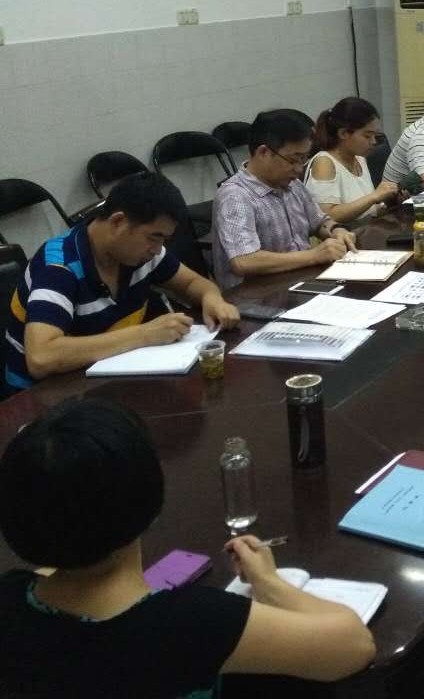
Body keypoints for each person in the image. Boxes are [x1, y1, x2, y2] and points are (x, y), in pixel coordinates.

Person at [0, 398, 375, 696]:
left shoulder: (11, 598)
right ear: (149, 502)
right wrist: (268, 582)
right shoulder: (191, 624)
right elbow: (355, 645)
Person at [3, 173, 239, 396]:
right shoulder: (59, 267)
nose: (158, 249)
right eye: (154, 237)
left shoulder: (141, 254)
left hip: (104, 377)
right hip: (42, 398)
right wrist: (144, 334)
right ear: (118, 222)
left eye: (164, 240)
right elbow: (42, 358)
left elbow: (191, 283)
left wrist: (212, 299)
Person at [212, 109, 358, 290]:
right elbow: (244, 261)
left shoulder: (292, 184)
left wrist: (337, 230)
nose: (299, 169)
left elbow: (319, 222)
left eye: (303, 159)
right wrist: (314, 255)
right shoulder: (236, 196)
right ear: (264, 152)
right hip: (257, 296)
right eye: (293, 160)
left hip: (301, 282)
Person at [305, 97, 401, 223]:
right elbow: (326, 216)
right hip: (340, 235)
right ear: (343, 133)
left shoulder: (360, 160)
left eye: (375, 135)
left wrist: (391, 202)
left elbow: (366, 211)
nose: (373, 142)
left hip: (364, 231)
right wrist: (374, 196)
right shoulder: (324, 162)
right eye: (367, 136)